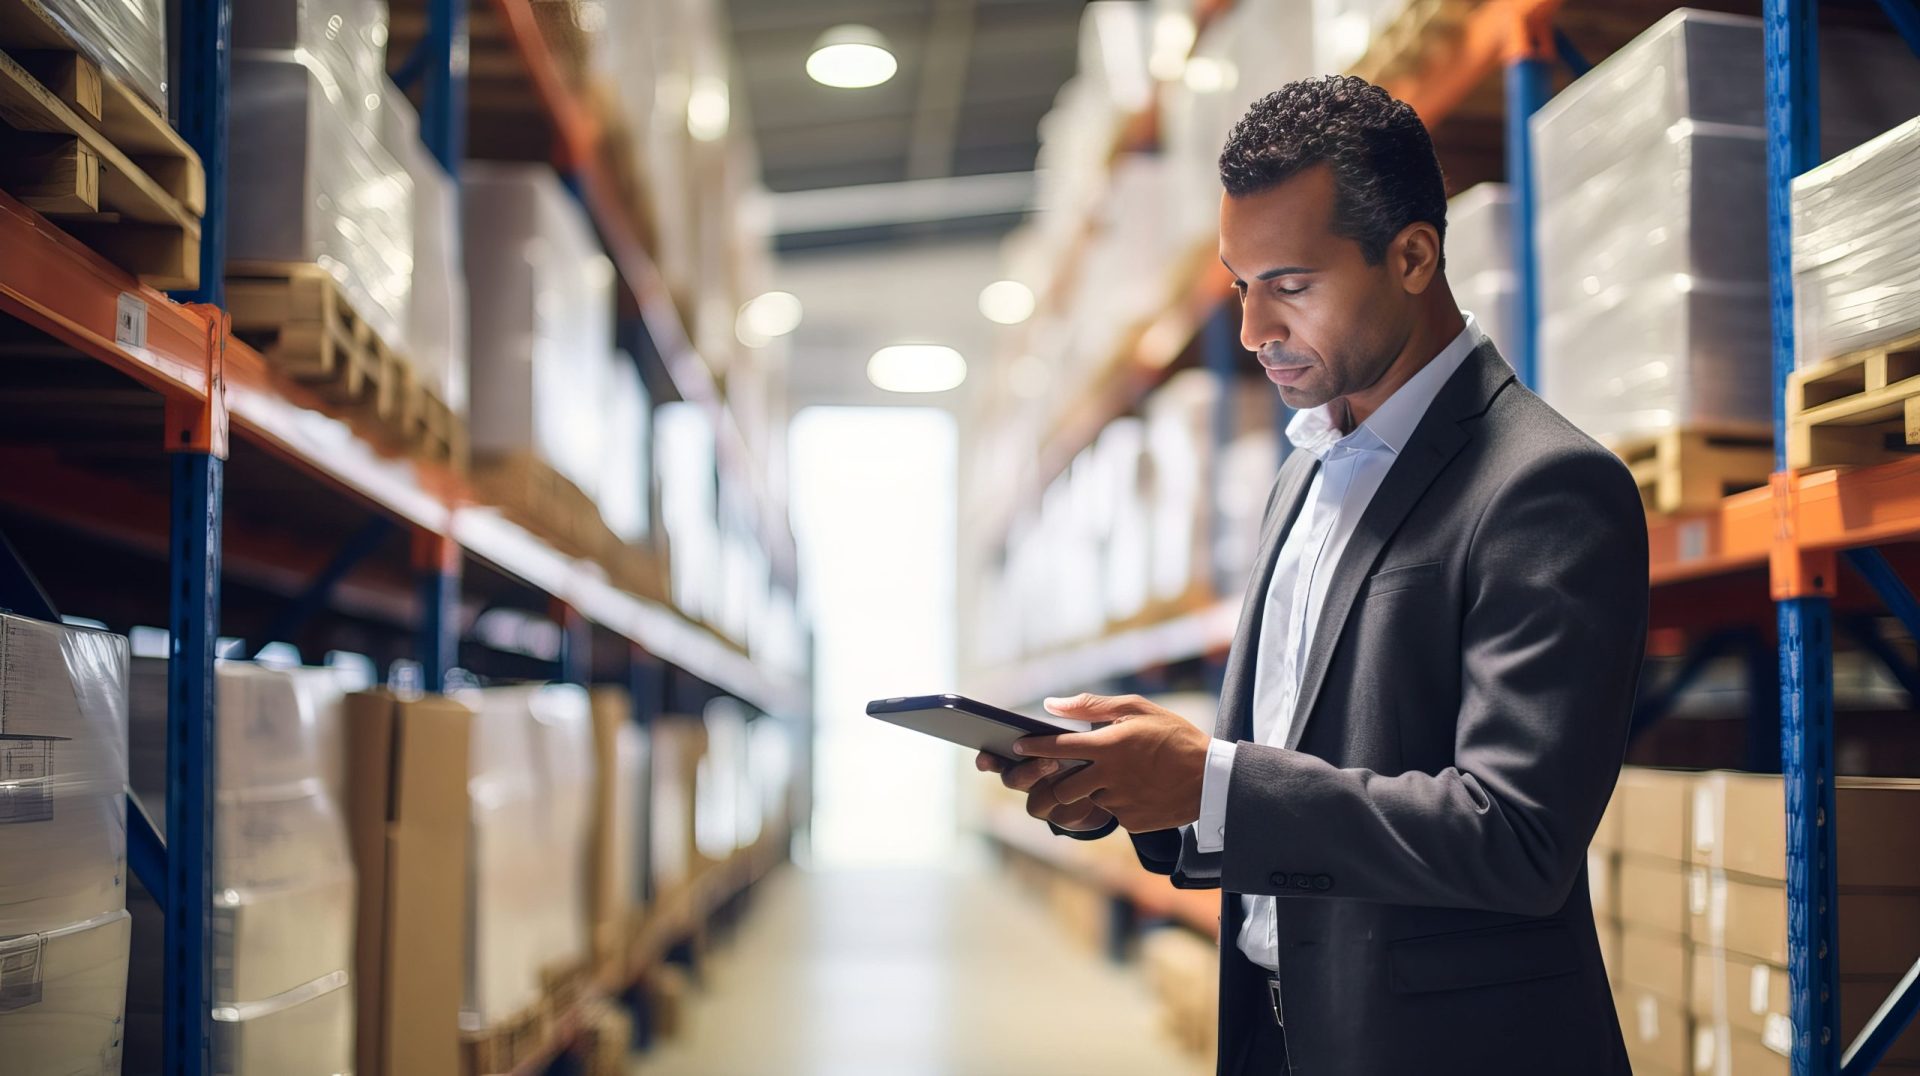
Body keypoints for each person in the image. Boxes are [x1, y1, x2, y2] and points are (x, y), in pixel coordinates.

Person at [977, 75, 1647, 1075]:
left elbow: (1515, 835)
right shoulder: (1304, 474)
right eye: (1239, 283)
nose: (1252, 328)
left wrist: (1208, 778)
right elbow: (1286, 777)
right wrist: (1132, 788)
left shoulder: (1545, 486)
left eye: (1289, 283)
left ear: (1413, 255)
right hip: (1279, 1034)